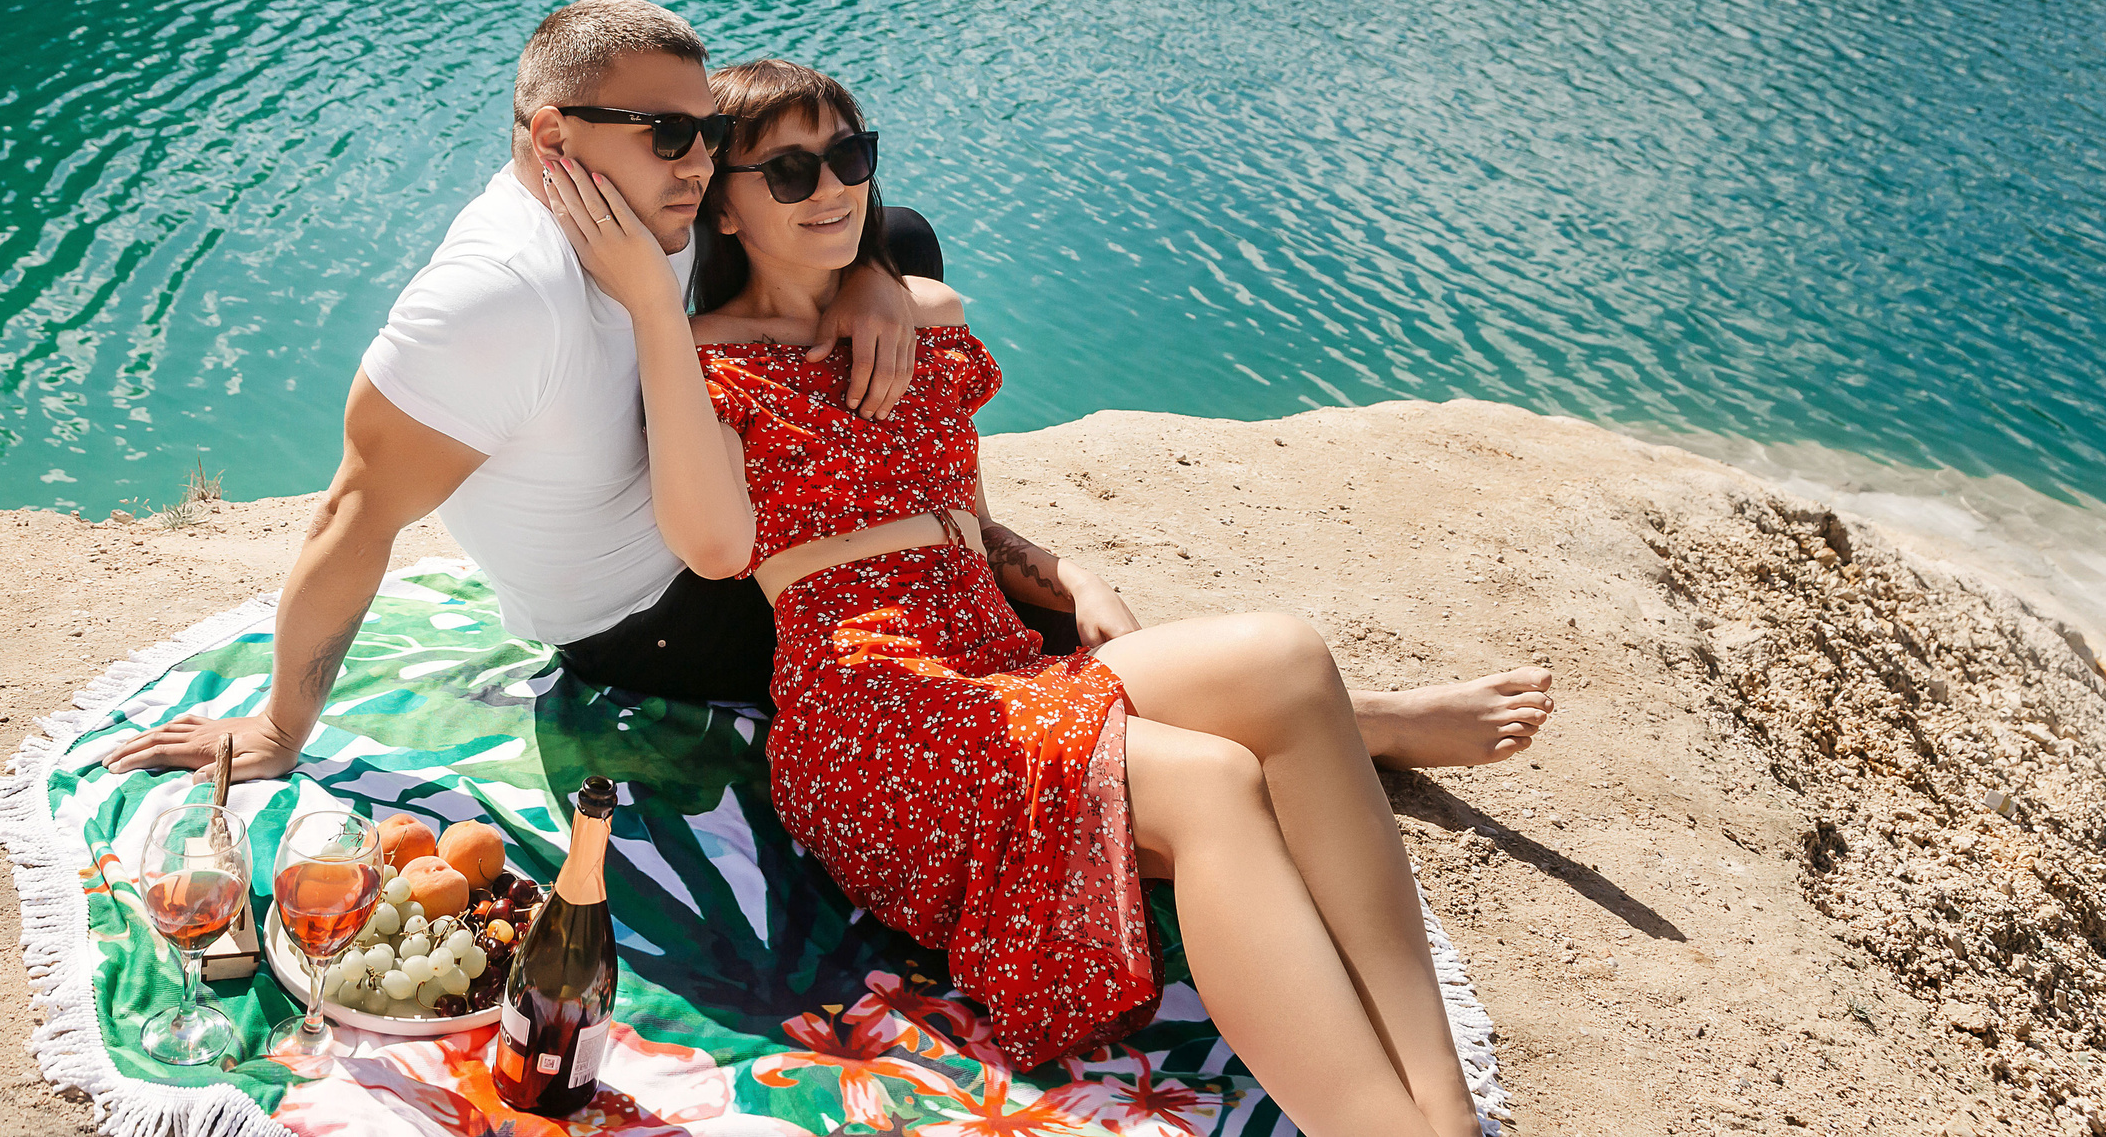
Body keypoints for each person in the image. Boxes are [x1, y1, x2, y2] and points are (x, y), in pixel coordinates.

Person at [108, 0, 1554, 792]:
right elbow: (357, 512)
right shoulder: (495, 293)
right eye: (669, 133)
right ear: (554, 134)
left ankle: (1015, 568)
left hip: (733, 501)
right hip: (664, 611)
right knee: (973, 667)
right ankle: (1347, 724)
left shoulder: (637, 230)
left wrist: (878, 278)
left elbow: (821, 237)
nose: (696, 160)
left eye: (700, 134)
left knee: (896, 239)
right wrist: (283, 727)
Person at [543, 56, 1490, 1137]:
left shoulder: (915, 317)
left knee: (1287, 656)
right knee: (1212, 782)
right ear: (724, 205)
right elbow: (714, 549)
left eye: (849, 157)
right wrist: (657, 320)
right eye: (790, 172)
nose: (833, 190)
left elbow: (967, 521)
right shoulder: (706, 363)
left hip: (993, 661)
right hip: (874, 713)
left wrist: (1068, 572)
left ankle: (1439, 1102)